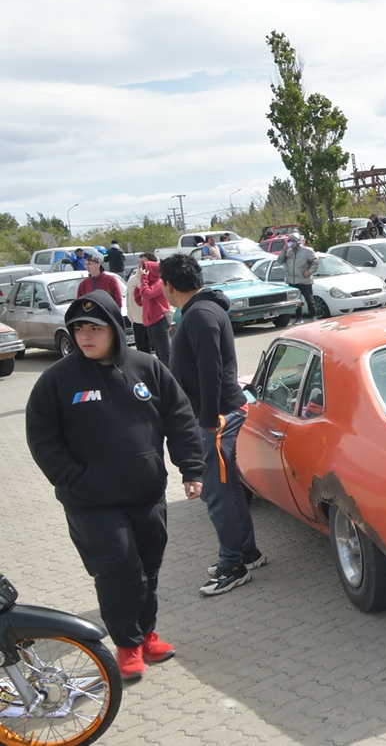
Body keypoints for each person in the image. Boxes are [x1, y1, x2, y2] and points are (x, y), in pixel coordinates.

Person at [25, 291, 205, 681]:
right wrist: (76, 480)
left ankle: (146, 635)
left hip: (147, 496)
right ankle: (126, 645)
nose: (85, 336)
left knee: (149, 571)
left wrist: (191, 469)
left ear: (115, 330)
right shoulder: (56, 380)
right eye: (78, 329)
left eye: (95, 327)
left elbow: (179, 418)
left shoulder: (147, 368)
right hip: (92, 504)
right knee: (119, 571)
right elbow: (42, 439)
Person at [158, 253, 266, 597]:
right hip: (216, 414)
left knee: (216, 493)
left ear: (169, 285)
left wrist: (206, 421)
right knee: (229, 487)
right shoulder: (199, 311)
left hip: (216, 417)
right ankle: (246, 553)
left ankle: (232, 565)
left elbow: (212, 371)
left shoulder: (201, 315)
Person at [134, 254, 173, 364]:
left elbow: (147, 294)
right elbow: (140, 302)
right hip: (150, 321)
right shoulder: (147, 284)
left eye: (146, 270)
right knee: (158, 352)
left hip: (160, 319)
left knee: (165, 352)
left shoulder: (160, 283)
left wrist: (144, 279)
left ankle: (171, 374)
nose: (143, 272)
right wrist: (137, 289)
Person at [281, 233, 318, 321]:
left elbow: (315, 262)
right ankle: (299, 318)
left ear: (297, 241)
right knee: (297, 301)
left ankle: (314, 316)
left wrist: (308, 272)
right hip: (292, 281)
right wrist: (283, 251)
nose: (290, 243)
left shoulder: (307, 251)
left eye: (292, 241)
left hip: (304, 280)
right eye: (289, 241)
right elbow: (280, 261)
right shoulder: (288, 252)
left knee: (310, 300)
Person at [125, 257, 151, 354]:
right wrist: (131, 317)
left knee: (160, 352)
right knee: (142, 352)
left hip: (153, 321)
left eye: (143, 262)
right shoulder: (132, 280)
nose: (140, 265)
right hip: (137, 321)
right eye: (138, 262)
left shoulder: (155, 279)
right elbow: (127, 299)